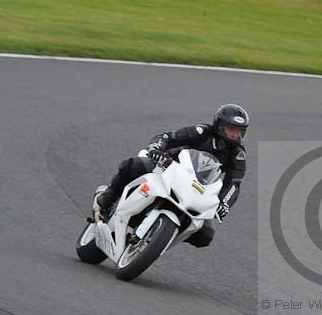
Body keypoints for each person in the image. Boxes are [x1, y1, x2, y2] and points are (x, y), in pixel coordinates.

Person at [93, 104, 249, 247]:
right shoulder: (202, 132)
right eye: (232, 129)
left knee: (205, 235)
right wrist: (156, 149)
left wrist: (224, 203)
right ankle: (106, 200)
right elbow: (168, 137)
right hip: (169, 166)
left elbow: (234, 183)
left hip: (197, 187)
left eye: (240, 132)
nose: (236, 135)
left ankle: (161, 237)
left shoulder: (238, 154)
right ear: (219, 125)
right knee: (132, 165)